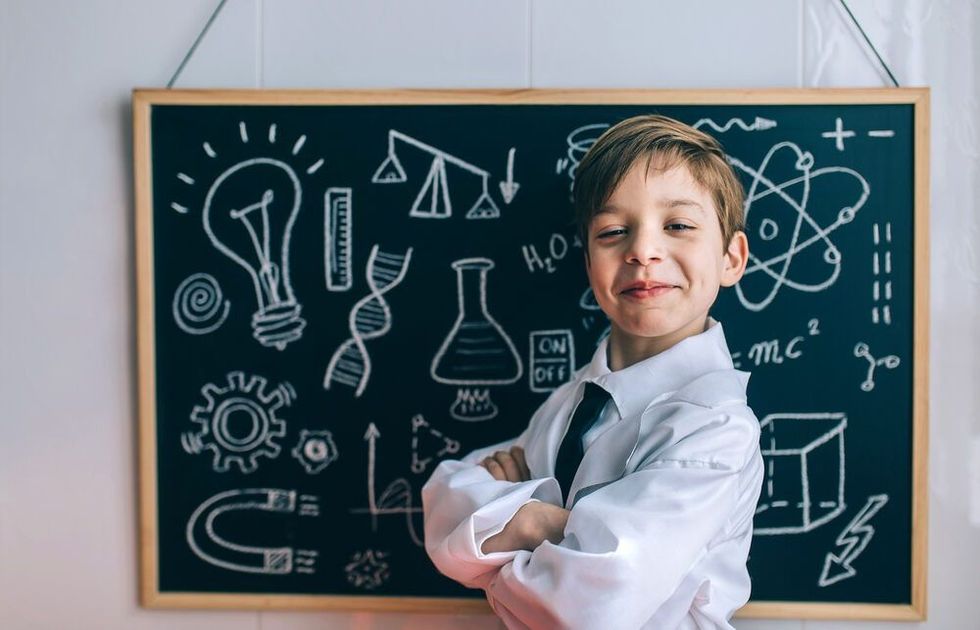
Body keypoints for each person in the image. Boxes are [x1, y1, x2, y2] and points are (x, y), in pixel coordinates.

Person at [422, 114, 763, 629]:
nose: (643, 251)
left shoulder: (716, 429)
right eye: (613, 231)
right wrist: (542, 523)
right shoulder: (571, 403)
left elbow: (586, 611)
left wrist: (502, 545)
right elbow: (443, 505)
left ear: (732, 258)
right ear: (589, 264)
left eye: (678, 226)